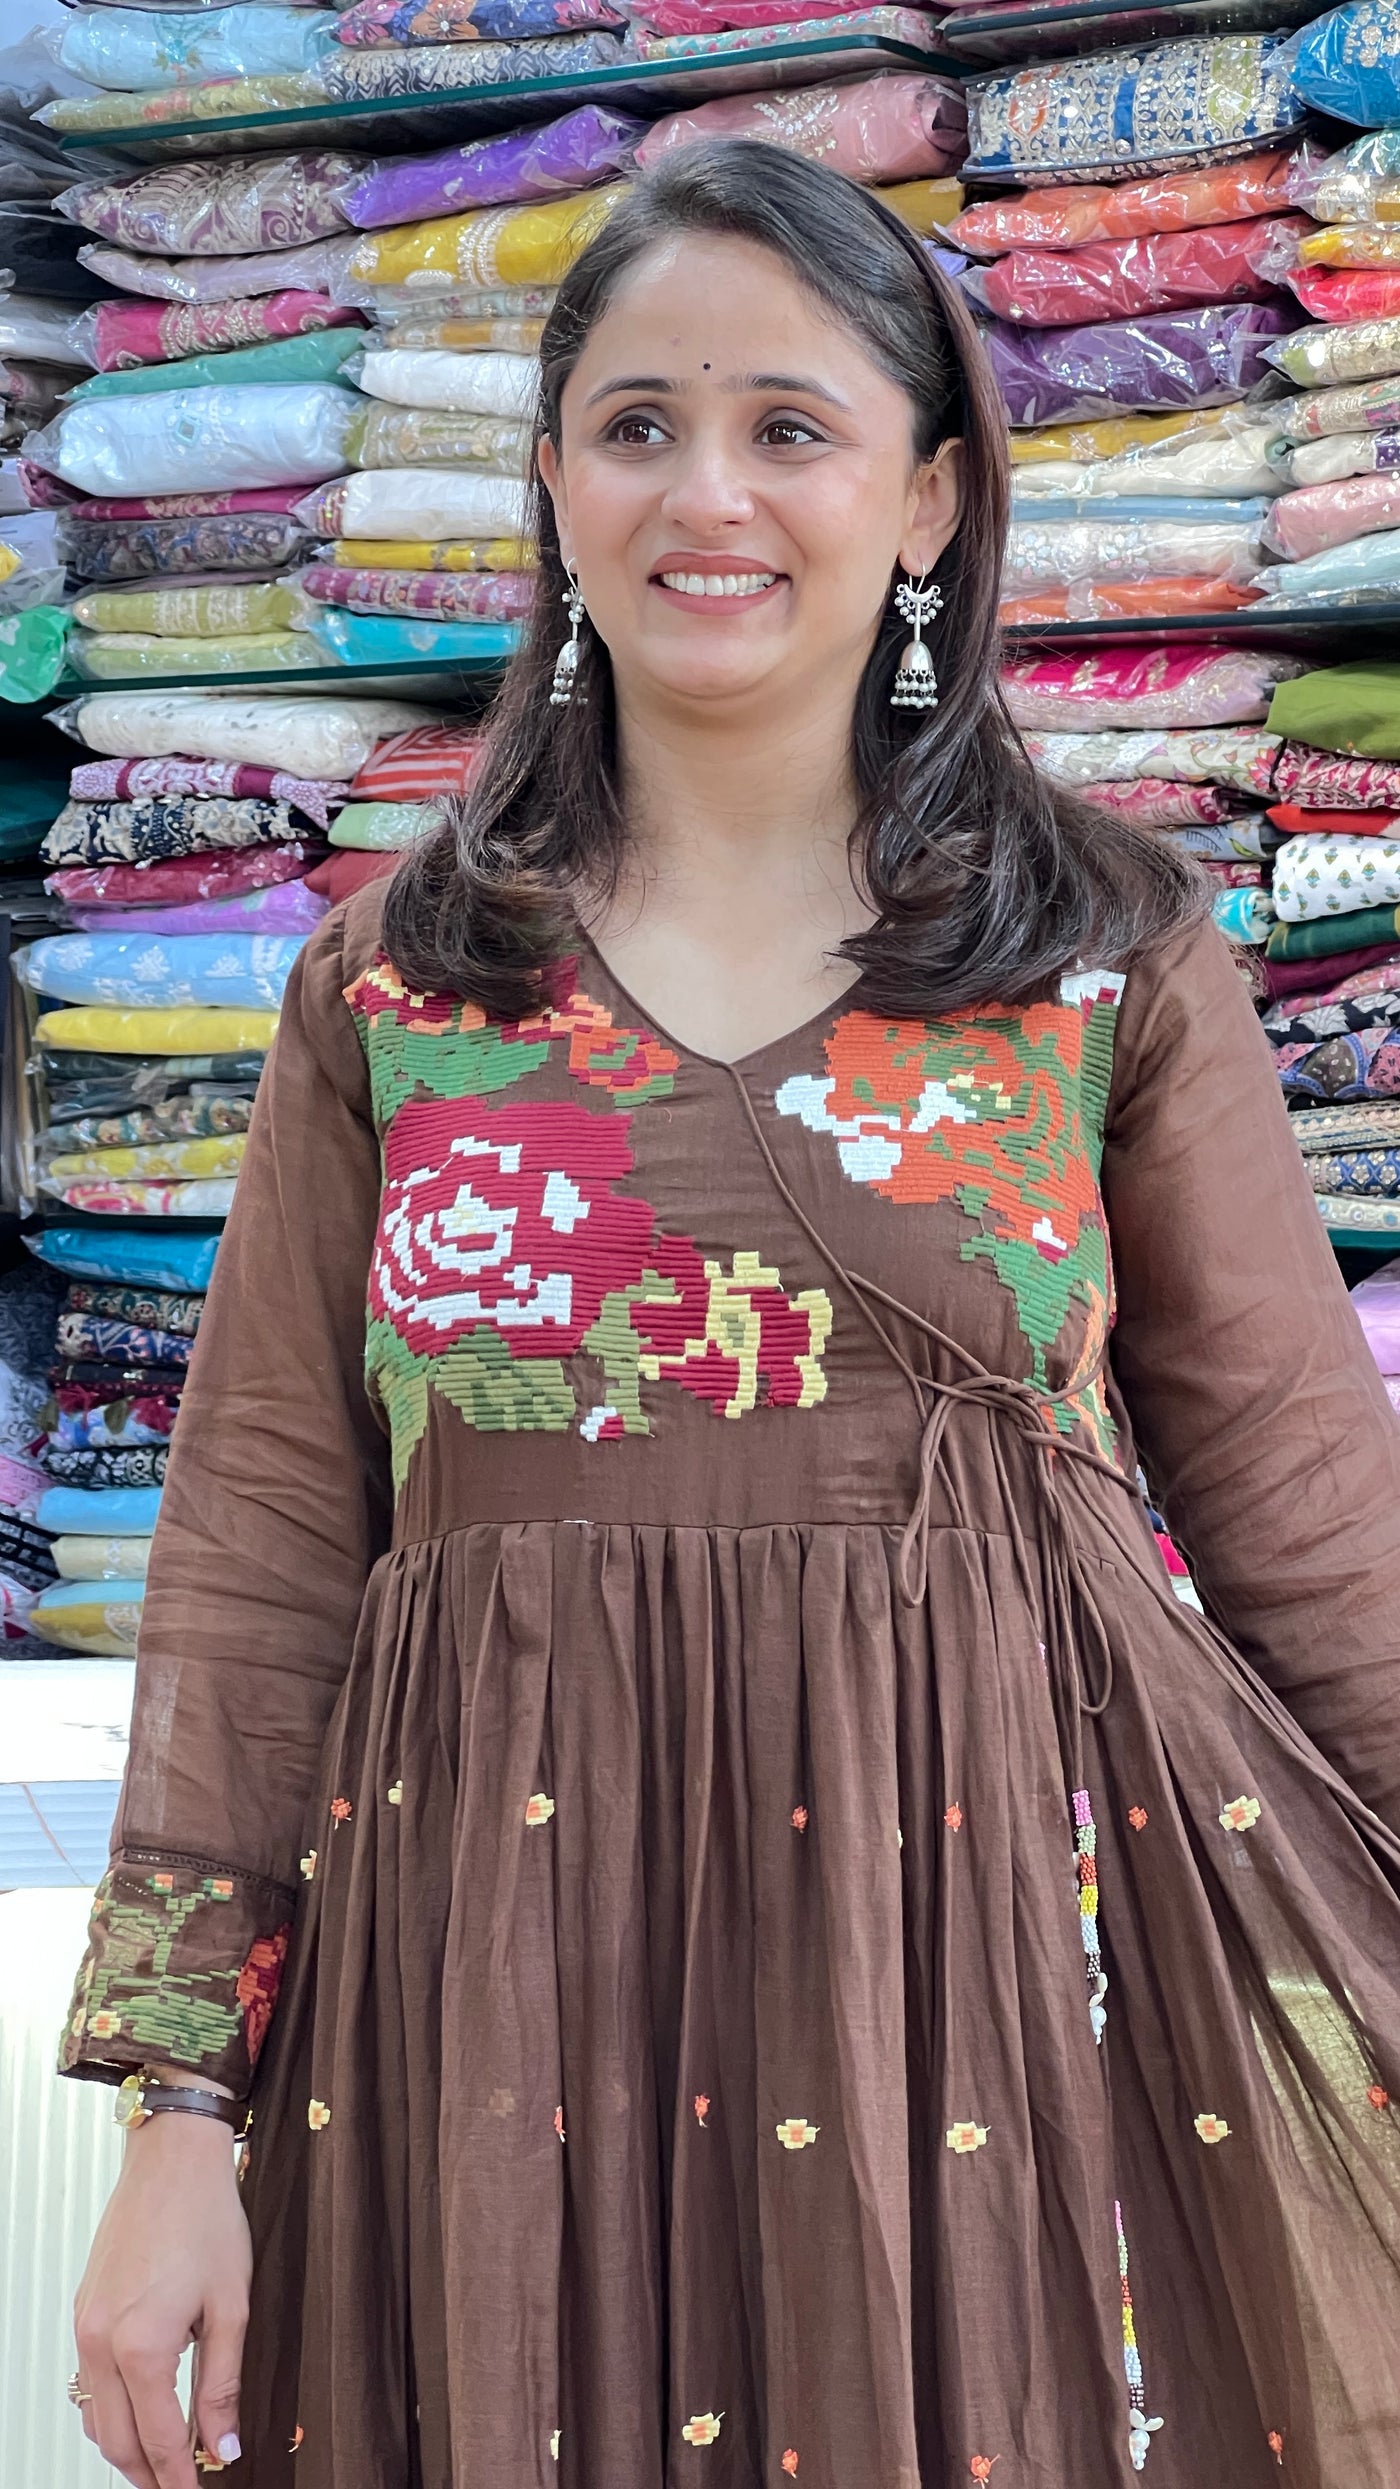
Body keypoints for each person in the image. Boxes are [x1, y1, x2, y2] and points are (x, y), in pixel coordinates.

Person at [63, 140, 1400, 2489]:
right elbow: (264, 1544)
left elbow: (1303, 1508)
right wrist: (179, 2114)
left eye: (790, 426)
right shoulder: (394, 986)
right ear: (553, 482)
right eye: (637, 424)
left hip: (965, 1975)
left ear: (927, 500)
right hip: (483, 1967)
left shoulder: (1099, 958)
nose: (709, 494)